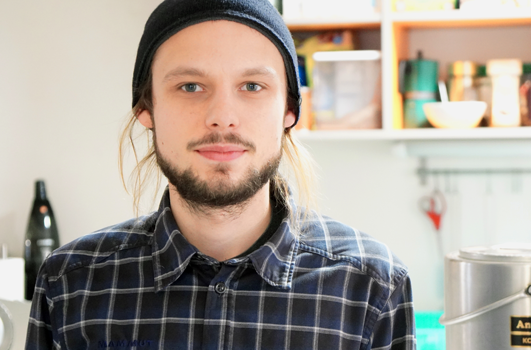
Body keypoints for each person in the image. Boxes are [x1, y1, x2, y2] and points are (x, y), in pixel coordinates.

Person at [26, 0, 415, 348]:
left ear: (289, 111)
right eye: (191, 86)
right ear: (147, 109)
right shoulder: (70, 286)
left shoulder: (373, 289)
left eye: (252, 85)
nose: (222, 117)